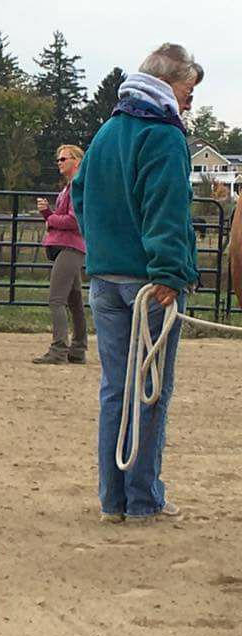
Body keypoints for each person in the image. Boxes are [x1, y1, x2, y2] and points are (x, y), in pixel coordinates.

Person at [72, 43, 202, 523]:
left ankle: (113, 500)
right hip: (149, 285)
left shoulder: (107, 132)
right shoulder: (164, 136)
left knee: (115, 390)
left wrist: (102, 249)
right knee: (150, 390)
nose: (189, 100)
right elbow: (167, 205)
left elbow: (79, 194)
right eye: (188, 89)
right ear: (168, 83)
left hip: (105, 281)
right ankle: (145, 500)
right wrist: (168, 270)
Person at [34, 144, 87, 364]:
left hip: (70, 247)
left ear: (76, 161)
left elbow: (74, 221)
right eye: (58, 159)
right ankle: (78, 348)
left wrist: (49, 215)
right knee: (74, 300)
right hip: (73, 246)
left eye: (63, 159)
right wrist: (50, 215)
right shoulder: (71, 187)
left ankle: (59, 349)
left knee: (56, 299)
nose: (59, 163)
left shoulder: (75, 187)